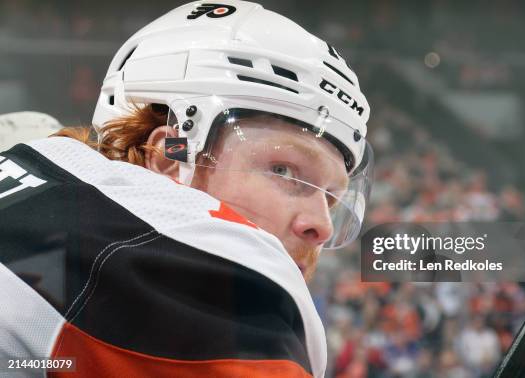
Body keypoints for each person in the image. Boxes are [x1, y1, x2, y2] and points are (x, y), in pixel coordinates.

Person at [0, 1, 373, 377]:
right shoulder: (198, 281)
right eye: (283, 169)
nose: (322, 226)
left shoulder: (38, 180)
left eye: (331, 197)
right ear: (169, 158)